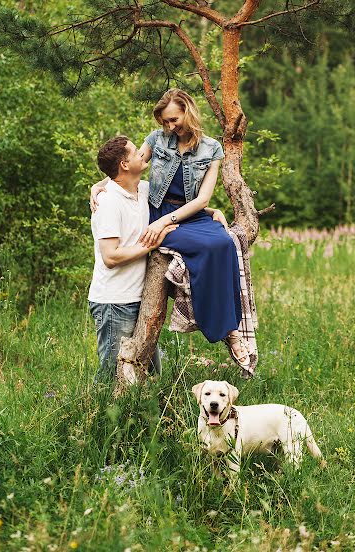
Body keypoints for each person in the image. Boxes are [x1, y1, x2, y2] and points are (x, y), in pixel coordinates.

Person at [91, 89, 251, 371]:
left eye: (174, 120)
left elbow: (202, 199)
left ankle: (231, 328)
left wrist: (211, 211)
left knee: (226, 243)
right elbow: (126, 167)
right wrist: (98, 185)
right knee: (207, 248)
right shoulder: (156, 139)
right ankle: (216, 324)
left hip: (190, 212)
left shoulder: (212, 148)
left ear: (188, 112)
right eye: (165, 121)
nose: (169, 126)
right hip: (159, 211)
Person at [88, 135, 177, 382]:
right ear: (124, 165)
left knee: (151, 375)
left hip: (141, 298)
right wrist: (151, 244)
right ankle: (99, 419)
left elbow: (177, 206)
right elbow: (111, 256)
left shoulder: (145, 189)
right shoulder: (108, 203)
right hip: (114, 302)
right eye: (136, 151)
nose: (142, 153)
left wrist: (213, 212)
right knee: (114, 376)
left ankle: (144, 418)